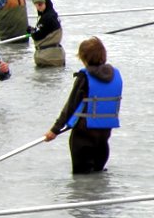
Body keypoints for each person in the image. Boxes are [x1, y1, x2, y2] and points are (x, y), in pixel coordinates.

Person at [44, 37, 122, 174]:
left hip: (83, 134)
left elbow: (71, 106)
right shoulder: (115, 75)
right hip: (104, 134)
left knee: (80, 179)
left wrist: (55, 130)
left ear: (84, 58)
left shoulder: (84, 77)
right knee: (98, 175)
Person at [28, 0, 65, 68]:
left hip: (47, 58)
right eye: (36, 5)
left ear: (46, 2)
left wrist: (30, 31)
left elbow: (37, 35)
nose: (38, 7)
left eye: (40, 4)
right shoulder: (54, 15)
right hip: (58, 55)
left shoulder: (46, 18)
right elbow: (45, 31)